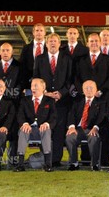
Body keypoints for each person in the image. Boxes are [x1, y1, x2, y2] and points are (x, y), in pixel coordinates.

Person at [74, 32, 109, 166]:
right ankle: (86, 159)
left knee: (102, 129)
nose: (94, 44)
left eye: (96, 41)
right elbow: (76, 78)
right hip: (86, 100)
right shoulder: (81, 59)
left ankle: (103, 160)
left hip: (103, 99)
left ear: (100, 42)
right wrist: (84, 91)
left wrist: (101, 91)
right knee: (86, 126)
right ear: (87, 44)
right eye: (91, 41)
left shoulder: (107, 58)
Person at [33, 33, 73, 167]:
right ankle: (45, 158)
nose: (52, 44)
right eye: (50, 41)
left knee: (59, 130)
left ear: (59, 44)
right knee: (45, 128)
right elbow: (36, 78)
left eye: (55, 41)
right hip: (45, 102)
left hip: (62, 101)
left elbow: (70, 79)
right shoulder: (39, 59)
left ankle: (56, 160)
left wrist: (61, 93)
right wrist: (44, 93)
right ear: (46, 44)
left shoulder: (67, 59)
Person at [0, 42, 24, 166]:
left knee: (13, 133)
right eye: (3, 50)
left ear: (12, 52)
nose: (5, 53)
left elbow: (21, 84)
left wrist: (9, 95)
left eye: (8, 50)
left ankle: (12, 160)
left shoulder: (19, 67)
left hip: (15, 105)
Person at [14, 78, 56, 172]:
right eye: (32, 85)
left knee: (46, 130)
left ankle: (48, 164)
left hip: (42, 129)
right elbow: (20, 115)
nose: (33, 88)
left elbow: (53, 117)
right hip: (29, 128)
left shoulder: (49, 101)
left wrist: (47, 124)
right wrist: (24, 123)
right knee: (23, 130)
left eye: (36, 86)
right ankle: (20, 164)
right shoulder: (25, 100)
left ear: (43, 87)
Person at [65, 80, 106, 171]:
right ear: (83, 90)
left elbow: (102, 117)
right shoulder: (77, 101)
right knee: (69, 137)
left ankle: (94, 164)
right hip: (78, 128)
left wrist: (95, 128)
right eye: (86, 88)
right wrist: (71, 127)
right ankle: (74, 163)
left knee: (94, 137)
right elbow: (71, 114)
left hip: (92, 128)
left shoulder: (101, 102)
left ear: (96, 90)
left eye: (91, 88)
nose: (89, 90)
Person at [19, 23, 47, 88]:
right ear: (33, 33)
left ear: (45, 33)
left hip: (47, 85)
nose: (39, 33)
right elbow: (22, 67)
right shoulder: (26, 48)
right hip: (29, 85)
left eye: (41, 30)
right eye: (37, 30)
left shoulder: (49, 48)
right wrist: (23, 85)